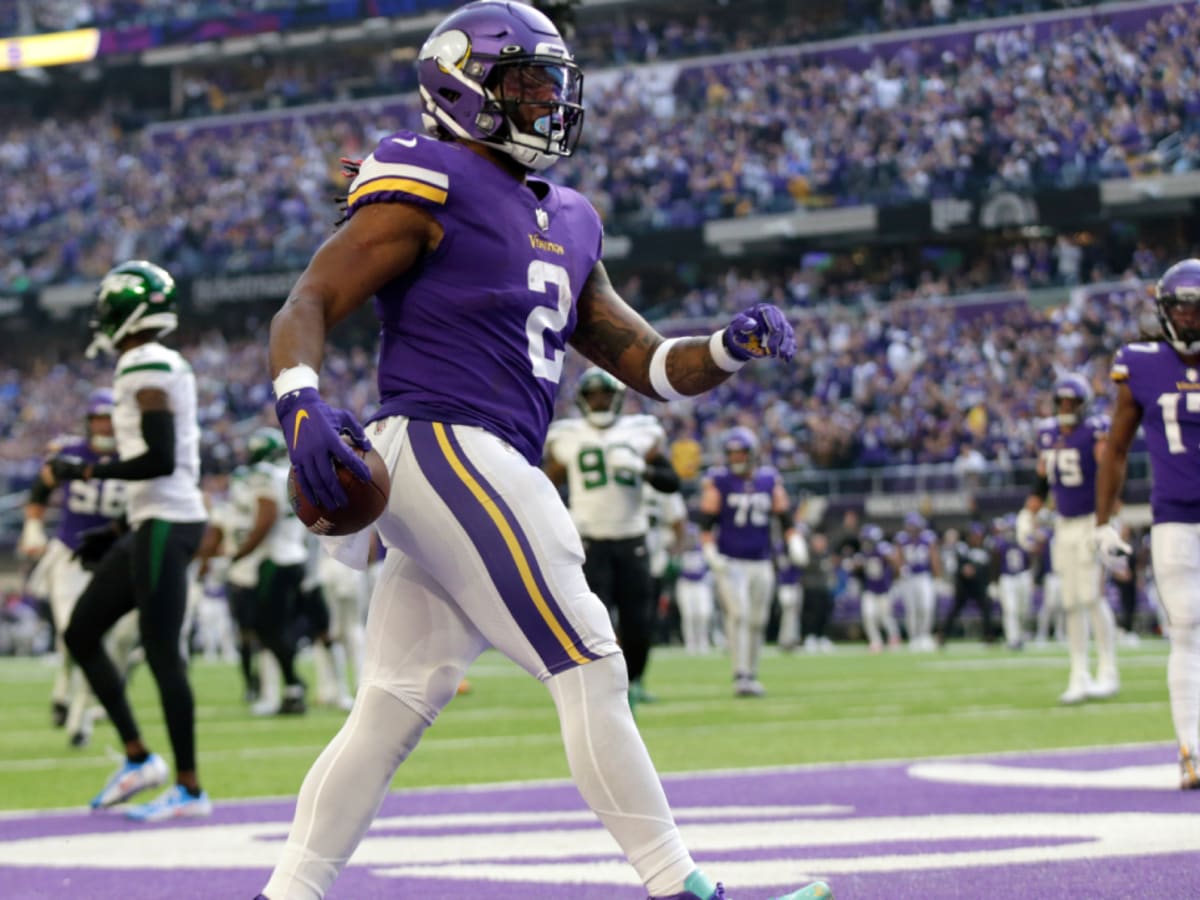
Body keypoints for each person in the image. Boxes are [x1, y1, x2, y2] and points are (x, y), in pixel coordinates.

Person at [256, 4, 828, 899]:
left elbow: (646, 366)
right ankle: (680, 888)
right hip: (447, 441)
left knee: (393, 704)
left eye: (551, 83)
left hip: (474, 459)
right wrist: (299, 403)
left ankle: (288, 891)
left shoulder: (571, 217)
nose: (546, 100)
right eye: (525, 81)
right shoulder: (427, 173)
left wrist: (725, 348)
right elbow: (308, 300)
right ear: (462, 84)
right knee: (592, 660)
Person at [48, 260, 211, 821]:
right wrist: (116, 530)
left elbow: (160, 458)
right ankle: (140, 758)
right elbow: (173, 461)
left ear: (127, 311)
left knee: (163, 650)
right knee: (82, 630)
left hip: (169, 519)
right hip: (154, 519)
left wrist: (87, 473)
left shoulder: (143, 365)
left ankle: (189, 788)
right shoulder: (158, 363)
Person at [1096, 258, 1200, 790]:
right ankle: (1191, 751)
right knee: (1186, 629)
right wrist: (1102, 519)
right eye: (1182, 311)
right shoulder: (1140, 362)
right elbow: (1115, 448)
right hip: (1176, 519)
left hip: (1177, 520)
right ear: (1164, 311)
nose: (1189, 321)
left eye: (1197, 312)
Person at [544, 366, 681, 708]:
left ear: (618, 399)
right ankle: (603, 686)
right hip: (588, 542)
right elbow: (544, 485)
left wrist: (643, 469)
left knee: (639, 621)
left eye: (605, 395)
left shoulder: (642, 432)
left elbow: (671, 481)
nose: (600, 401)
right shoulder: (565, 435)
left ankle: (633, 681)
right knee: (596, 620)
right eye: (593, 396)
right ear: (582, 401)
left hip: (632, 538)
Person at [18, 388, 134, 747]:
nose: (103, 425)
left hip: (114, 558)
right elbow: (40, 489)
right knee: (72, 633)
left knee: (106, 640)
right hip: (71, 554)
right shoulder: (70, 453)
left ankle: (80, 712)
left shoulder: (136, 455)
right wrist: (33, 526)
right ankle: (63, 686)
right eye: (98, 418)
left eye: (109, 418)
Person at [1016, 373, 1119, 704]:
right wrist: (1028, 514)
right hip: (1063, 523)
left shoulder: (1095, 430)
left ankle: (1108, 669)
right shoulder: (1047, 434)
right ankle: (1078, 673)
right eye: (1061, 402)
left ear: (1084, 405)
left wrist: (1111, 518)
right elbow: (1041, 482)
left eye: (1072, 402)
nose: (1065, 407)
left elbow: (1110, 471)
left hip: (1092, 519)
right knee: (1071, 601)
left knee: (1091, 595)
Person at [699, 427, 808, 697]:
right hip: (731, 561)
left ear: (752, 453)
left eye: (741, 453)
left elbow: (785, 517)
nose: (736, 458)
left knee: (758, 619)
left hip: (761, 560)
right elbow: (705, 523)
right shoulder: (719, 481)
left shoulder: (770, 480)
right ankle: (741, 674)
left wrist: (793, 539)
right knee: (739, 615)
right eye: (732, 453)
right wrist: (710, 551)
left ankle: (752, 672)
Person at [936, 522, 995, 644]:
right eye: (975, 535)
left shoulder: (986, 548)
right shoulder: (963, 548)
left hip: (979, 585)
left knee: (986, 608)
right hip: (964, 586)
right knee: (955, 610)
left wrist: (977, 570)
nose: (977, 537)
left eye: (979, 535)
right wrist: (965, 569)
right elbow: (957, 566)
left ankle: (989, 635)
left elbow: (989, 567)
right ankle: (942, 635)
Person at [893, 511, 941, 651]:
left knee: (927, 607)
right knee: (911, 609)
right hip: (909, 578)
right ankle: (914, 638)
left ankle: (924, 636)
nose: (912, 528)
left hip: (924, 576)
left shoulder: (928, 538)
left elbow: (934, 557)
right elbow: (898, 556)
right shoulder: (902, 539)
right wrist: (900, 570)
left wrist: (937, 577)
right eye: (910, 525)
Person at [993, 515, 1032, 650]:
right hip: (1007, 579)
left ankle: (1020, 635)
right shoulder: (999, 543)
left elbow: (1030, 561)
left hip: (1022, 576)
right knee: (1010, 610)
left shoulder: (1024, 541)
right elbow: (995, 563)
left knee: (1023, 609)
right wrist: (994, 582)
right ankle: (1012, 639)